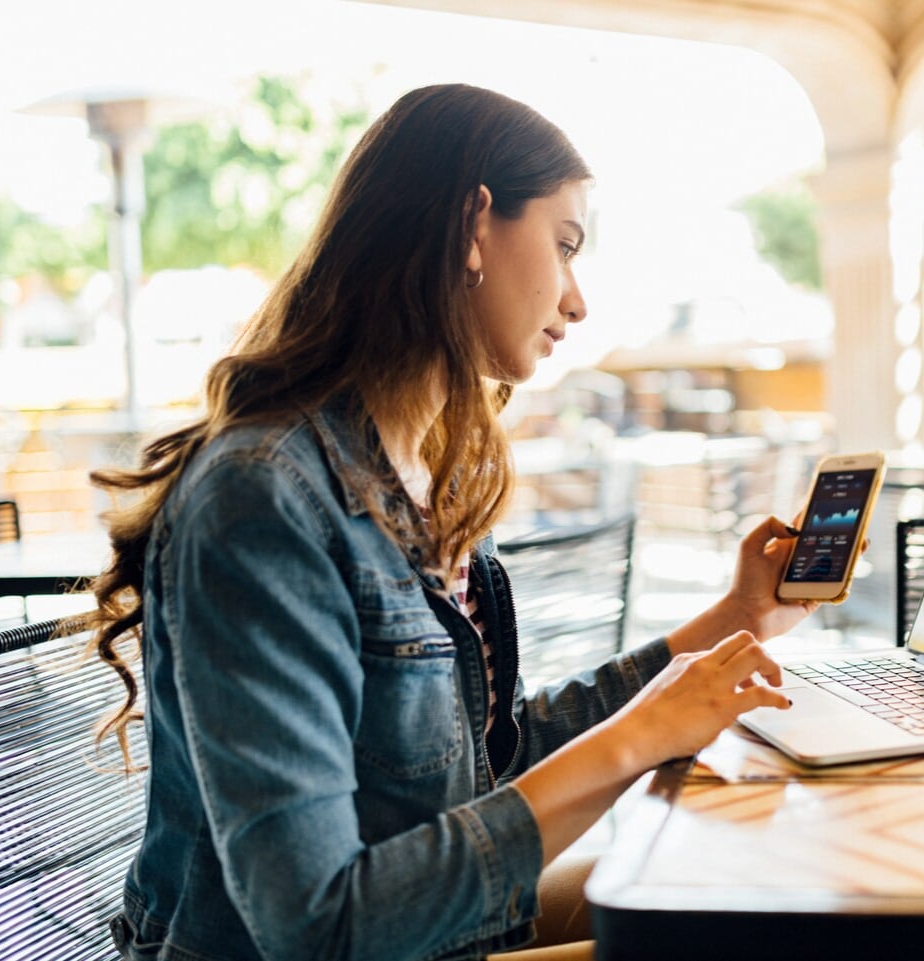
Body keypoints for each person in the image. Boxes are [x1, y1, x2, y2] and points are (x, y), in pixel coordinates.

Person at [87, 84, 818, 961]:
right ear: (475, 223)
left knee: (759, 892)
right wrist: (640, 737)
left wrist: (735, 620)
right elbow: (314, 924)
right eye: (565, 244)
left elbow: (491, 755)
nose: (577, 301)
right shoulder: (263, 497)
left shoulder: (428, 475)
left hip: (428, 936)